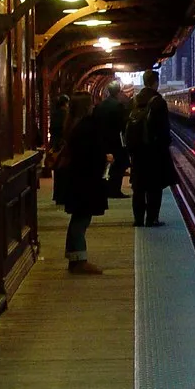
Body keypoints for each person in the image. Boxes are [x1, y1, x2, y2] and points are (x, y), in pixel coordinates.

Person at [54, 93, 112, 273]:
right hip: (85, 182)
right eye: (91, 104)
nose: (94, 106)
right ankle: (79, 262)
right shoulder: (86, 127)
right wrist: (105, 157)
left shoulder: (72, 125)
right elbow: (89, 155)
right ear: (86, 107)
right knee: (81, 220)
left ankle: (74, 258)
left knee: (77, 219)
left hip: (76, 180)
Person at [126, 70, 179, 227]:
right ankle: (152, 219)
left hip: (136, 152)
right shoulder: (158, 102)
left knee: (138, 187)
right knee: (154, 187)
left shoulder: (134, 100)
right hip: (154, 151)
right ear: (155, 82)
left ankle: (138, 220)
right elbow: (164, 129)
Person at [93, 80, 129, 198]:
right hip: (115, 140)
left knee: (103, 166)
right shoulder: (118, 106)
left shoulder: (100, 105)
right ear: (118, 92)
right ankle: (114, 190)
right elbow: (122, 125)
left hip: (101, 139)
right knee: (118, 166)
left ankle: (103, 189)